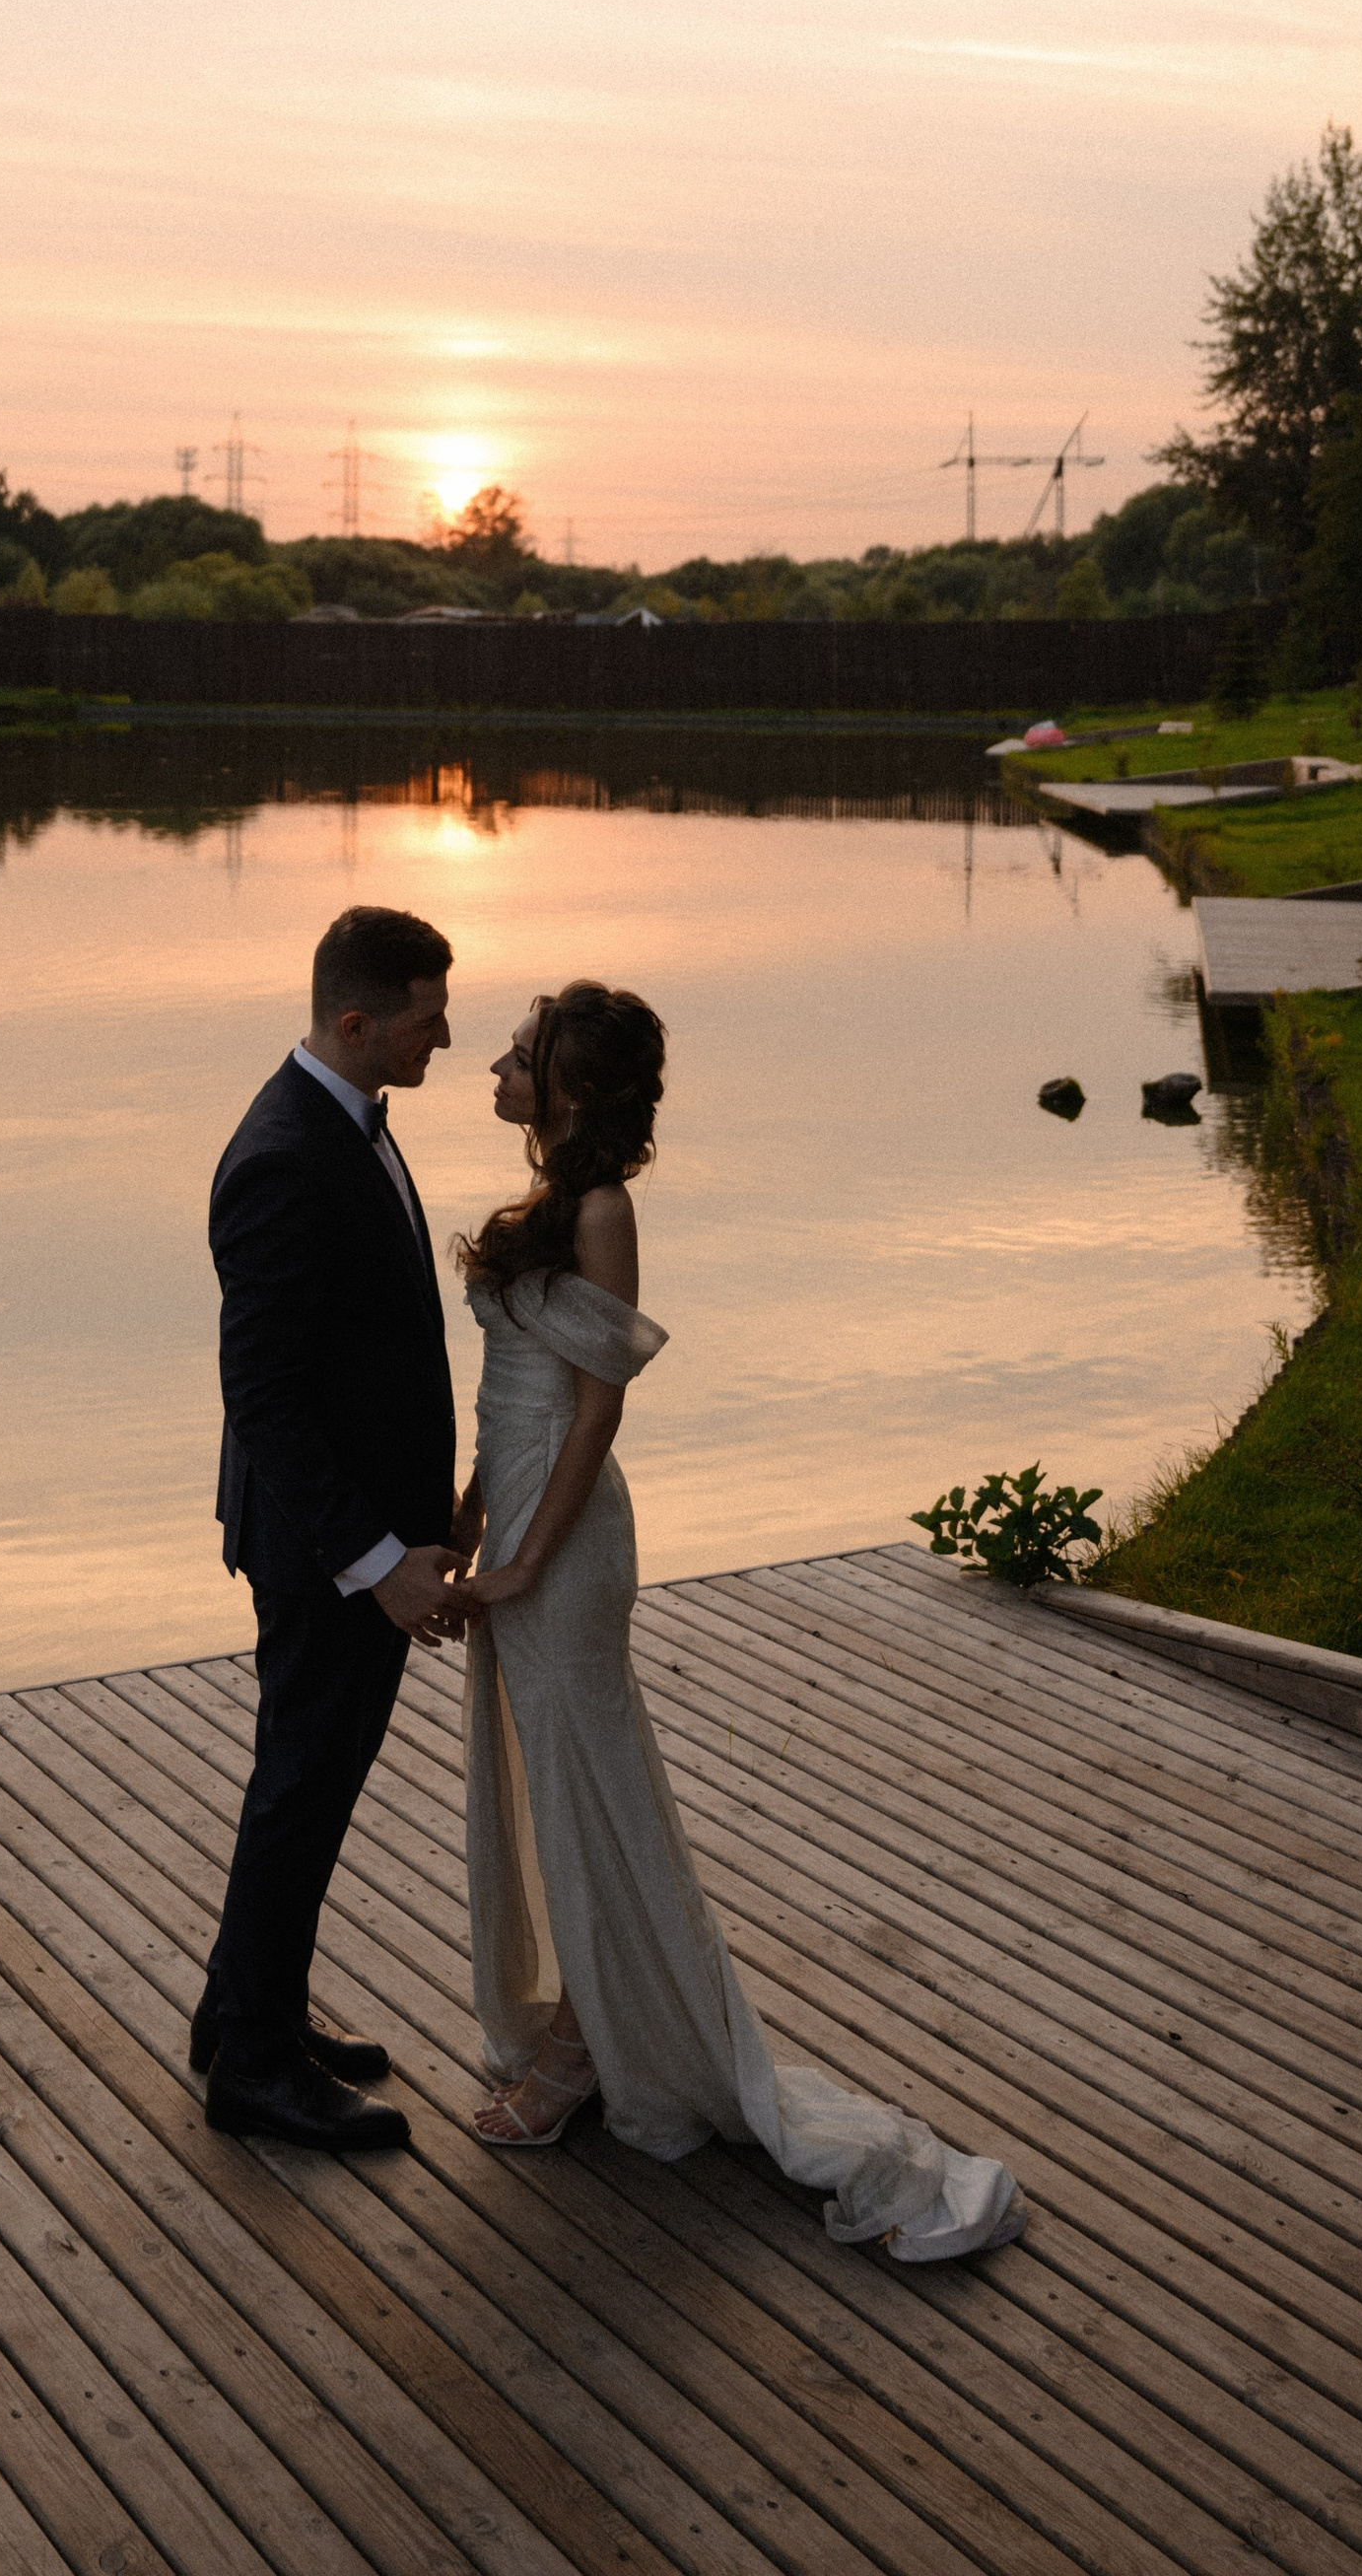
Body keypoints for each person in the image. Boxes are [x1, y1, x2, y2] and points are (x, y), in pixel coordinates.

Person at [450, 982, 1027, 2265]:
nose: (494, 1063)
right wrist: (464, 1524)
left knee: (595, 1790)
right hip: (517, 1531)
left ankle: (592, 2050)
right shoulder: (544, 1208)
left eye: (521, 1055)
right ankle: (586, 2030)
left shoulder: (602, 1212)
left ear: (575, 1092)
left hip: (570, 1547)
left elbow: (595, 1419)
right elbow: (508, 1399)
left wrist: (520, 1565)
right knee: (557, 1789)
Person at [193, 903, 466, 2151]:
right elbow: (265, 1399)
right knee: (300, 1790)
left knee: (307, 1787)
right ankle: (251, 2069)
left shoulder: (350, 1120)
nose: (445, 1039)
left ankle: (245, 2012)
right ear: (355, 1023)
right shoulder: (284, 1156)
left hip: (360, 1541)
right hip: (326, 1554)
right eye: (423, 1019)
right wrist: (374, 1565)